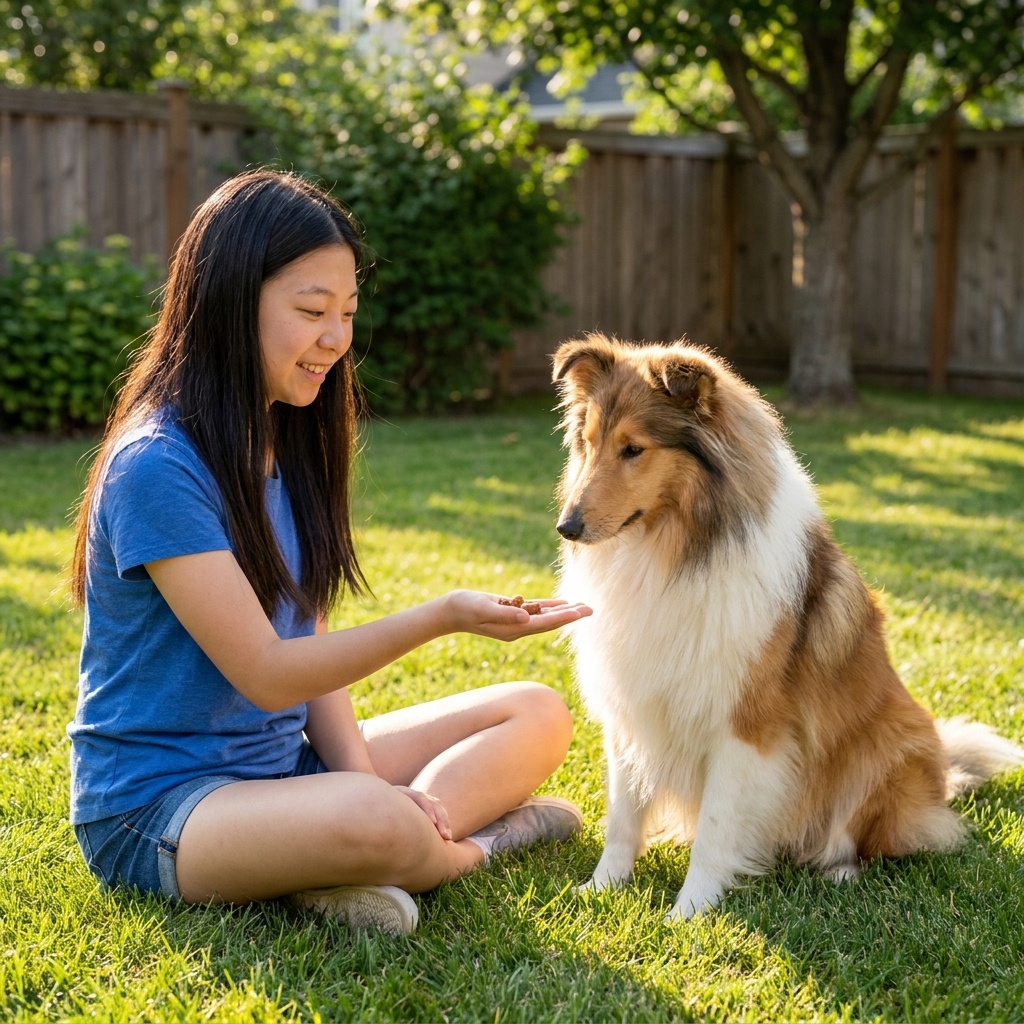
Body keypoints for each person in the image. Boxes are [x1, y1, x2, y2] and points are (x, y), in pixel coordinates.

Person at [67, 170, 591, 936]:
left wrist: (354, 777)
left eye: (346, 312)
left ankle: (332, 853)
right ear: (228, 302)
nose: (337, 339)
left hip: (282, 772)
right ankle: (475, 845)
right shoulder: (158, 466)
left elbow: (303, 637)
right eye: (312, 311)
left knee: (535, 712)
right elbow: (269, 673)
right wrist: (441, 617)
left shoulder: (290, 437)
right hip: (160, 808)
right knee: (378, 819)